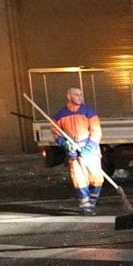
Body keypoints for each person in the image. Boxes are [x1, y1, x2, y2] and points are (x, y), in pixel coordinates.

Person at [53, 86, 104, 215]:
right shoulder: (60, 115)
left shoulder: (89, 112)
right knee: (79, 179)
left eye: (80, 95)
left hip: (89, 150)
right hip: (73, 152)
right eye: (76, 95)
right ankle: (85, 204)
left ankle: (93, 200)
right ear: (68, 96)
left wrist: (89, 147)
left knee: (97, 177)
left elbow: (96, 131)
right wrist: (65, 144)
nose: (80, 97)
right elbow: (55, 133)